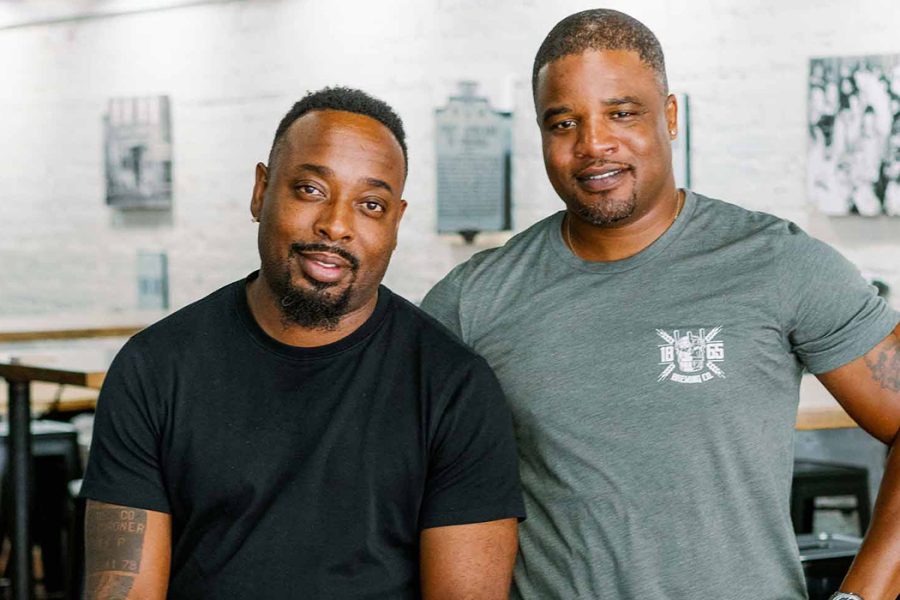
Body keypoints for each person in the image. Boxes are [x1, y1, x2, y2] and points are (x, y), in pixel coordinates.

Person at [421, 9, 900, 599]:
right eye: (564, 123)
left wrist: (860, 597)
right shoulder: (474, 299)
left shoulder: (777, 263)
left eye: (622, 113)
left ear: (670, 117)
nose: (593, 144)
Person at [81, 87, 525, 599]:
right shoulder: (153, 369)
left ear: (395, 223)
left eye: (371, 205)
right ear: (261, 191)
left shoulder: (455, 388)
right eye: (311, 190)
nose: (336, 225)